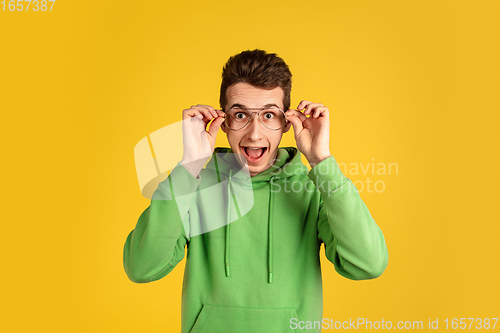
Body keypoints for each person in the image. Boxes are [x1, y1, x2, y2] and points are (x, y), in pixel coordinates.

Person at [123, 49, 388, 333]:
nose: (254, 134)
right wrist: (188, 167)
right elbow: (141, 267)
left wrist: (322, 162)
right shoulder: (195, 186)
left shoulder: (314, 188)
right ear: (223, 121)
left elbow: (368, 264)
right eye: (240, 115)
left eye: (269, 115)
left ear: (287, 122)